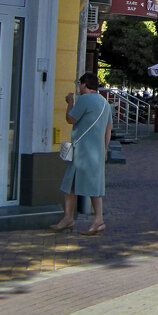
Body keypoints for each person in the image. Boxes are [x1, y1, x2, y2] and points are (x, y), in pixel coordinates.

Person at [51, 72, 113, 235]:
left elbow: (70, 119)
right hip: (97, 151)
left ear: (85, 84)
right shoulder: (105, 103)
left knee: (70, 184)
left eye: (80, 83)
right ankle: (85, 219)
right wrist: (105, 149)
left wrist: (70, 102)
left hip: (82, 151)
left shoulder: (84, 99)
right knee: (93, 185)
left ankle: (75, 218)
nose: (79, 86)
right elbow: (108, 129)